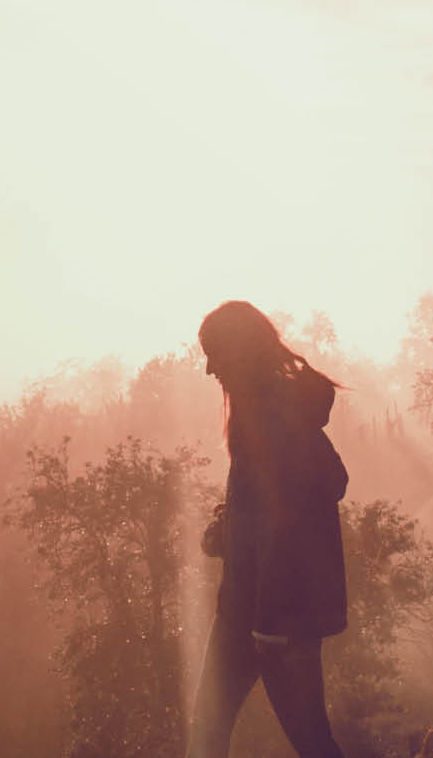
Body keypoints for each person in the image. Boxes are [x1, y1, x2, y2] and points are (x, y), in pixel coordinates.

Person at [186, 300, 348, 758]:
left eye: (214, 353)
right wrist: (227, 525)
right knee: (208, 735)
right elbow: (265, 501)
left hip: (278, 622)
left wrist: (272, 625)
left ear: (239, 353)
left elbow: (292, 515)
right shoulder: (261, 413)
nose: (208, 369)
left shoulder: (276, 418)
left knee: (310, 743)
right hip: (246, 609)